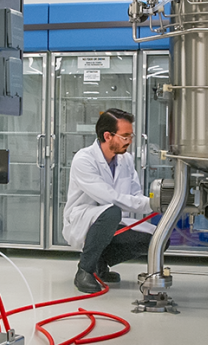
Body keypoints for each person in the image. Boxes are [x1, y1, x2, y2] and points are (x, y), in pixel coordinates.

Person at [61, 108, 157, 293]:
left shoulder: (125, 159)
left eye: (131, 135)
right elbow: (109, 198)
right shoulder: (84, 159)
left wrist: (157, 202)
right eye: (125, 136)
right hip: (85, 218)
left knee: (158, 239)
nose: (129, 141)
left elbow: (135, 193)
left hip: (114, 221)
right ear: (108, 136)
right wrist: (149, 204)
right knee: (111, 211)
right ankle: (84, 271)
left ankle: (101, 263)